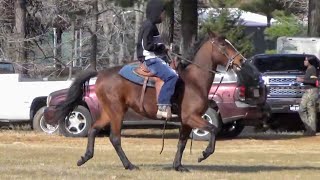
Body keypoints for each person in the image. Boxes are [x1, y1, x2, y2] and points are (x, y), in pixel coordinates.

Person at [136, 0, 179, 119]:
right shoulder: (149, 26)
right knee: (172, 76)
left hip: (154, 57)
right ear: (156, 12)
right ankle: (163, 107)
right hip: (150, 59)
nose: (163, 15)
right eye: (162, 13)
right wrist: (162, 47)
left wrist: (163, 50)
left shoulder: (151, 26)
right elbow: (147, 46)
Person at [297, 56, 319, 136]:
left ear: (310, 61)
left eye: (306, 60)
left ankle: (312, 130)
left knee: (310, 110)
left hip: (312, 91)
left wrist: (302, 80)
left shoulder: (312, 69)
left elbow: (314, 81)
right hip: (307, 91)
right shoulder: (308, 69)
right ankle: (309, 128)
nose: (304, 61)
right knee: (302, 110)